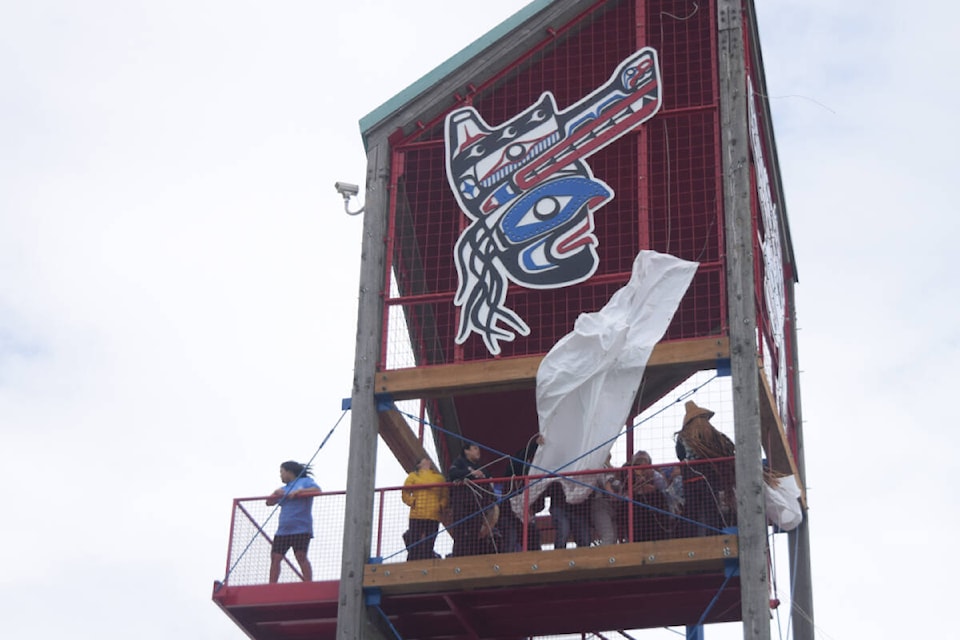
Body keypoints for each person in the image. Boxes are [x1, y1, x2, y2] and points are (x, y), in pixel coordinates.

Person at [674, 400, 736, 536]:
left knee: (692, 510)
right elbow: (727, 449)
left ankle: (691, 537)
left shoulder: (683, 437)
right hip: (710, 475)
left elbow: (680, 456)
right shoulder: (714, 434)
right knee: (711, 507)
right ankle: (713, 534)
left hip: (690, 476)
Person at [266, 460, 321, 583]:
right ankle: (271, 586)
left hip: (301, 528)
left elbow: (317, 491)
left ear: (289, 471)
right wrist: (275, 493)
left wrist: (299, 492)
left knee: (300, 556)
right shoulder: (283, 489)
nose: (280, 475)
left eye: (281, 472)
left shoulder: (305, 482)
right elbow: (269, 503)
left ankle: (308, 584)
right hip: (283, 531)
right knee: (275, 558)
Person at [446, 443, 495, 556]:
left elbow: (489, 484)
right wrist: (470, 473)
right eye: (475, 448)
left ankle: (472, 557)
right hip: (461, 503)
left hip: (476, 504)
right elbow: (452, 473)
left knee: (474, 533)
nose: (478, 451)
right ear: (466, 451)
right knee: (460, 532)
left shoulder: (482, 468)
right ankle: (458, 558)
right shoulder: (460, 462)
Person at [401, 457, 448, 560]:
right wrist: (413, 501)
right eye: (424, 460)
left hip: (432, 513)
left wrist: (441, 505)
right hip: (418, 513)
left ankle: (425, 562)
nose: (427, 461)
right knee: (414, 542)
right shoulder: (413, 476)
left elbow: (445, 494)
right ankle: (413, 562)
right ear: (419, 465)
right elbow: (405, 492)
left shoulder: (439, 478)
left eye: (428, 460)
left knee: (429, 543)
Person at [626, 451, 674, 542]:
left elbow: (665, 493)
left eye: (644, 465)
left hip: (655, 510)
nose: (641, 468)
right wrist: (636, 487)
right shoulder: (629, 477)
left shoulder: (656, 477)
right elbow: (624, 496)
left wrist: (653, 489)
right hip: (638, 512)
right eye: (637, 464)